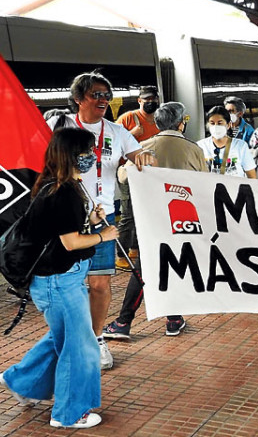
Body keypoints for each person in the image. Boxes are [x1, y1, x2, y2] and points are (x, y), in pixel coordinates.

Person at [0, 127, 121, 429]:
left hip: (59, 280)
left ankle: (22, 381)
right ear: (69, 155)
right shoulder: (63, 192)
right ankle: (70, 413)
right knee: (81, 347)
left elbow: (58, 231)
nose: (92, 157)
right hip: (59, 282)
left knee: (62, 338)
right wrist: (103, 234)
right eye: (86, 152)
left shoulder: (54, 185)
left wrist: (89, 221)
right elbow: (70, 242)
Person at [47, 72, 153, 371]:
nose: (103, 100)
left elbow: (139, 153)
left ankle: (96, 338)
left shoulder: (117, 132)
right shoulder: (60, 125)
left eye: (107, 95)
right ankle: (58, 342)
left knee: (100, 283)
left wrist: (146, 157)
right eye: (96, 94)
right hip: (65, 213)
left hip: (103, 216)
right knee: (64, 284)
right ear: (79, 98)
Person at [104, 103, 206, 340]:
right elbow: (204, 183)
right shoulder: (194, 150)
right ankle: (169, 319)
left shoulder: (144, 147)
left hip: (152, 218)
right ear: (181, 123)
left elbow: (123, 176)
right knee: (172, 266)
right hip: (183, 219)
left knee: (147, 267)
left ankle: (127, 321)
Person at [115, 85, 161, 270]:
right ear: (139, 100)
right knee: (128, 213)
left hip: (152, 172)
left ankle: (134, 247)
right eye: (147, 99)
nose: (151, 102)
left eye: (153, 99)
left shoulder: (159, 120)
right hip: (130, 172)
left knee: (145, 211)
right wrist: (132, 135)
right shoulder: (127, 119)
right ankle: (121, 254)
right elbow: (111, 144)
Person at [198, 106, 258, 178]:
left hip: (235, 188)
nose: (216, 126)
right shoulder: (200, 146)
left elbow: (252, 176)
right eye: (212, 123)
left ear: (228, 125)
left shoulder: (240, 146)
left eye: (220, 123)